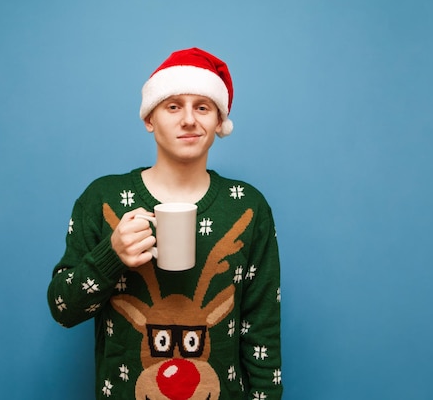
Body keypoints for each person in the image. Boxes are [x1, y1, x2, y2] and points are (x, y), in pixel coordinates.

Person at [47, 47, 283, 399]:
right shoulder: (103, 199)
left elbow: (261, 329)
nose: (189, 120)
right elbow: (63, 308)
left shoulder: (248, 207)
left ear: (219, 121)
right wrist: (112, 254)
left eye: (202, 107)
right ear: (149, 119)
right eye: (173, 106)